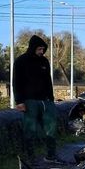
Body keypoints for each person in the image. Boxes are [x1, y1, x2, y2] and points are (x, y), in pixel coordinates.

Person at [13, 34, 58, 162]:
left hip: (46, 100)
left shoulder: (44, 61)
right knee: (30, 130)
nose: (41, 52)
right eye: (39, 49)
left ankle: (51, 155)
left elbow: (48, 80)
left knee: (51, 128)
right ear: (32, 48)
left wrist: (51, 98)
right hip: (29, 100)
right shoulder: (21, 61)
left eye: (43, 49)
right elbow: (16, 82)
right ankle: (30, 157)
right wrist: (19, 101)